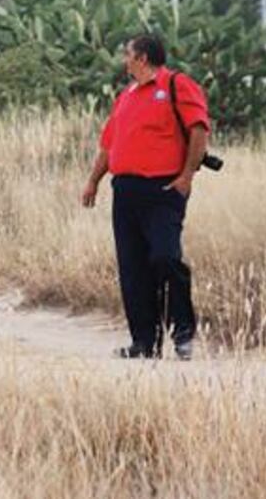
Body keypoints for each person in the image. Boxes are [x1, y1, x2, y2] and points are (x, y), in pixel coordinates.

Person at [81, 35, 210, 360]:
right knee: (133, 267)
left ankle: (183, 332)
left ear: (142, 57)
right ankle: (144, 342)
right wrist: (94, 181)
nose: (124, 60)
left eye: (128, 54)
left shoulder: (176, 85)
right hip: (126, 190)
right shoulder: (126, 96)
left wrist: (186, 177)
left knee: (165, 257)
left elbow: (198, 130)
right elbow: (109, 145)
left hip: (163, 189)